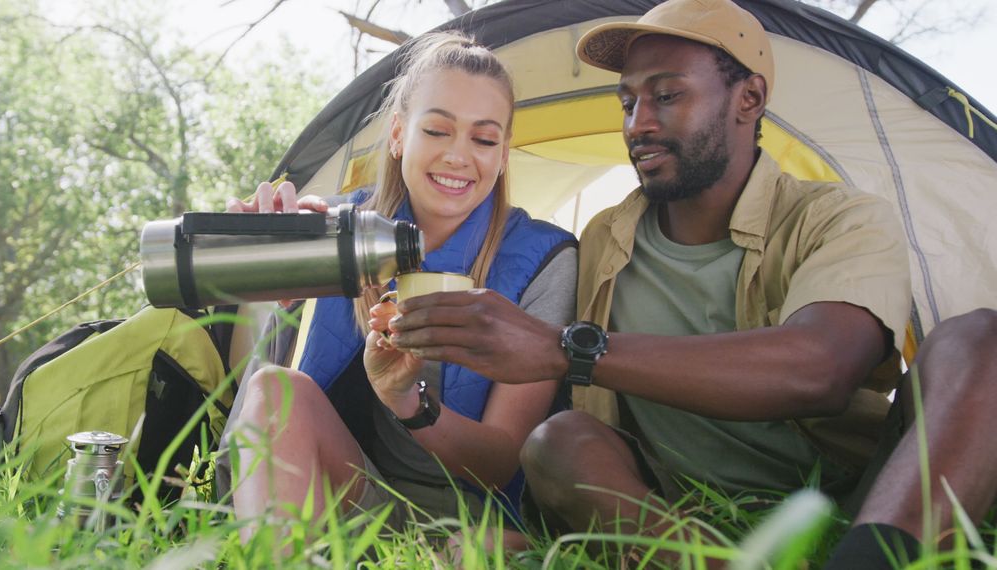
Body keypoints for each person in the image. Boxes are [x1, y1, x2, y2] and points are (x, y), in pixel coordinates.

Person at [381, 0, 997, 567]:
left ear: (748, 99)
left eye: (667, 96)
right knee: (558, 441)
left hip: (849, 490)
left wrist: (563, 348)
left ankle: (867, 558)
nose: (639, 123)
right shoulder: (600, 240)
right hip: (675, 508)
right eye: (627, 103)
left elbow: (821, 369)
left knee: (978, 342)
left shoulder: (838, 219)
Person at [222, 30, 578, 546]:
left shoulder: (545, 259)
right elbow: (267, 406)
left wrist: (408, 400)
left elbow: (499, 466)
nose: (459, 156)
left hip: (464, 519)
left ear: (503, 155)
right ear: (396, 134)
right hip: (340, 487)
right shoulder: (332, 230)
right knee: (275, 388)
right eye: (436, 130)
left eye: (483, 139)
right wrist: (257, 260)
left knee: (483, 548)